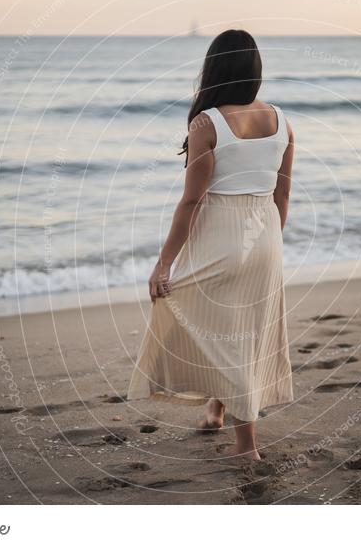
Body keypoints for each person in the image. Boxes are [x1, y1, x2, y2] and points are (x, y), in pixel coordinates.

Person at [128, 29, 295, 461]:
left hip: (221, 237)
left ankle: (247, 449)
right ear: (254, 70)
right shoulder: (282, 121)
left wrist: (163, 264)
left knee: (213, 325)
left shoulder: (207, 124)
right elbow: (283, 196)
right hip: (266, 238)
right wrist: (270, 244)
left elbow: (191, 201)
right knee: (242, 332)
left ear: (214, 70)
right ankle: (215, 411)